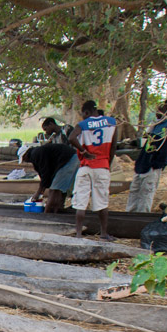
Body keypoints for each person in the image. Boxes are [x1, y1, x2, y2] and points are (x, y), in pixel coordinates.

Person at [68, 99, 117, 239]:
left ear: (87, 112)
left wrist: (83, 151)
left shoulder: (83, 124)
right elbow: (113, 147)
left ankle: (78, 234)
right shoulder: (111, 123)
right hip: (102, 167)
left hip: (86, 166)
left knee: (81, 202)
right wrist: (108, 163)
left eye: (83, 114)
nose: (82, 116)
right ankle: (103, 233)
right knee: (102, 202)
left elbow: (72, 138)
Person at [126, 100, 167, 213]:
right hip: (142, 164)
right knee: (134, 190)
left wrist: (157, 164)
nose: (158, 112)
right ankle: (130, 215)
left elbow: (166, 150)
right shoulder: (155, 125)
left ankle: (142, 216)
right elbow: (146, 142)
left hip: (151, 165)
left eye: (161, 110)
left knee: (146, 193)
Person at [23, 142, 80, 212]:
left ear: (25, 154)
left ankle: (47, 212)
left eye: (23, 159)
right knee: (60, 188)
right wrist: (42, 189)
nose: (24, 161)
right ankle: (58, 209)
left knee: (54, 189)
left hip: (69, 159)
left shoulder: (36, 154)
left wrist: (38, 192)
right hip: (72, 158)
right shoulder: (37, 153)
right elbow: (46, 173)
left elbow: (45, 172)